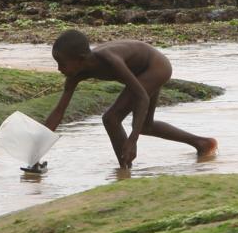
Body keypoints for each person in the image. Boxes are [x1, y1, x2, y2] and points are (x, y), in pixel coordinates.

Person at [43, 29, 218, 169]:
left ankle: (125, 170)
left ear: (80, 60)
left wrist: (132, 140)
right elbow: (59, 111)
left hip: (155, 66)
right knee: (146, 126)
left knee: (111, 118)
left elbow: (142, 97)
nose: (59, 69)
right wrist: (37, 149)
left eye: (62, 64)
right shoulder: (75, 74)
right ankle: (203, 144)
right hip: (141, 71)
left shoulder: (110, 60)